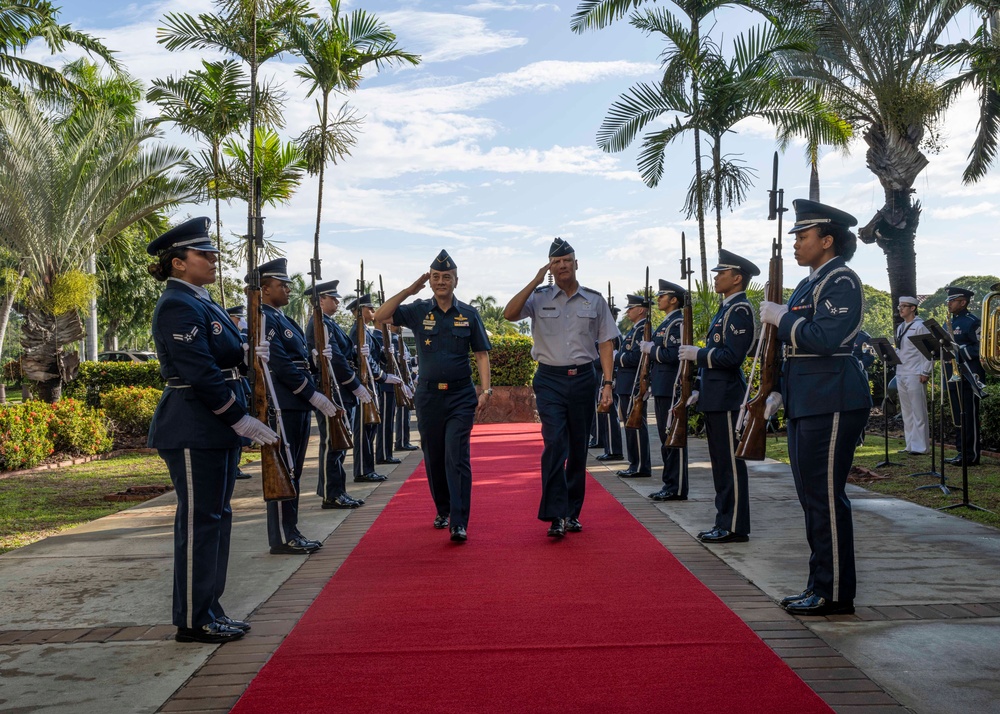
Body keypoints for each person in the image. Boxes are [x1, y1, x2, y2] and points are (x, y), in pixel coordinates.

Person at [146, 217, 277, 644]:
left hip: (213, 425)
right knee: (200, 522)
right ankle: (193, 619)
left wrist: (246, 353)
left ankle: (210, 608)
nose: (213, 259)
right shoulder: (177, 304)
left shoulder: (202, 301)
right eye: (204, 254)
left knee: (217, 519)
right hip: (193, 424)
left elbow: (223, 355)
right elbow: (199, 372)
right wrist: (237, 417)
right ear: (178, 263)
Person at [759, 199, 872, 616]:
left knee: (825, 497)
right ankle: (819, 583)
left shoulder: (841, 280)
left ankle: (835, 592)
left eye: (802, 236)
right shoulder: (809, 284)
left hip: (833, 398)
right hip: (807, 399)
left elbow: (823, 339)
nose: (795, 243)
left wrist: (782, 318)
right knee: (811, 498)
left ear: (827, 241)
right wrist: (778, 391)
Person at [504, 238, 618, 538]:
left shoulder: (594, 300)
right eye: (556, 262)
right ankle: (555, 514)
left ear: (576, 263)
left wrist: (607, 383)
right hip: (549, 379)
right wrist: (535, 280)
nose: (562, 265)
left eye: (567, 260)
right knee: (555, 442)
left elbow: (606, 343)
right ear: (550, 267)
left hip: (583, 378)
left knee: (578, 448)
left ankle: (572, 513)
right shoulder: (538, 297)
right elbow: (509, 314)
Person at [374, 250, 492, 543]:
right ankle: (443, 509)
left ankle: (459, 521)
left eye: (447, 277)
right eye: (436, 277)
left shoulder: (469, 313)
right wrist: (410, 290)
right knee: (434, 457)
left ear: (456, 281)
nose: (442, 282)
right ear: (430, 281)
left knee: (457, 455)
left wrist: (486, 389)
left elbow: (481, 354)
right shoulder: (417, 310)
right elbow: (380, 315)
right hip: (427, 396)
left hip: (460, 395)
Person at [253, 258, 340, 555]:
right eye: (282, 285)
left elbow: (300, 360)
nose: (289, 289)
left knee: (294, 470)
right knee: (284, 470)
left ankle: (291, 530)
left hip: (296, 403)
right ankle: (282, 534)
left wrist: (317, 362)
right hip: (283, 403)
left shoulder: (282, 318)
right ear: (264, 289)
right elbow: (281, 365)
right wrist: (312, 394)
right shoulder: (263, 317)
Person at [678, 248, 757, 544]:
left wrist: (699, 354)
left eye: (721, 273)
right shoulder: (725, 309)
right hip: (715, 395)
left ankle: (734, 525)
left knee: (729, 465)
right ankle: (725, 520)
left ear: (737, 278)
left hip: (727, 397)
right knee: (721, 464)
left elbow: (733, 356)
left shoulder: (739, 310)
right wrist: (699, 386)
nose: (716, 278)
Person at [304, 279, 372, 509]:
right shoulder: (318, 324)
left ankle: (337, 490)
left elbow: (344, 353)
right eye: (332, 298)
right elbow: (336, 360)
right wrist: (355, 385)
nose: (336, 301)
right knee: (333, 443)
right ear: (320, 300)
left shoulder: (329, 323)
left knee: (340, 443)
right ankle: (331, 493)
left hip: (340, 389)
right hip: (334, 389)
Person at [347, 294, 403, 482]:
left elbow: (376, 356)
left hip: (371, 384)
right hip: (364, 383)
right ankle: (362, 470)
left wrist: (387, 351)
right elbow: (363, 359)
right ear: (358, 311)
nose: (373, 311)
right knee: (363, 430)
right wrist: (382, 376)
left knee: (370, 429)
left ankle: (368, 468)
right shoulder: (357, 330)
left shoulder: (367, 331)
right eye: (369, 308)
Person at [643, 279, 689, 501]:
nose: (659, 299)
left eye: (663, 296)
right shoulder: (666, 323)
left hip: (671, 386)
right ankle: (670, 484)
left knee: (673, 436)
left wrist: (652, 351)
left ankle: (676, 487)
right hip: (662, 386)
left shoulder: (677, 322)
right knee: (665, 437)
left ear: (673, 300)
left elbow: (673, 355)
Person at [944, 286, 985, 466]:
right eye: (949, 301)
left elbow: (980, 348)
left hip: (970, 375)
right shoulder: (949, 323)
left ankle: (972, 455)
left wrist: (959, 352)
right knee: (958, 416)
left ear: (963, 302)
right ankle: (961, 452)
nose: (949, 304)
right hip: (953, 375)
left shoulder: (973, 322)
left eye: (952, 301)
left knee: (969, 415)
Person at [614, 294, 652, 478]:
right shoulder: (634, 330)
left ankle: (640, 466)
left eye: (631, 308)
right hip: (625, 383)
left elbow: (637, 358)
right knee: (630, 425)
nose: (628, 311)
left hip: (633, 384)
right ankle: (634, 463)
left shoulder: (641, 330)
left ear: (641, 310)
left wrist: (616, 358)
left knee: (635, 424)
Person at [894, 296, 932, 455]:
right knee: (907, 411)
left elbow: (928, 351)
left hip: (915, 373)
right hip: (901, 372)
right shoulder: (901, 327)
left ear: (913, 308)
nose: (900, 309)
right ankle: (910, 445)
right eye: (899, 306)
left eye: (904, 306)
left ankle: (921, 446)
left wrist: (926, 371)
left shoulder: (920, 326)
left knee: (918, 411)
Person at [592, 306, 624, 461]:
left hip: (608, 379)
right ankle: (607, 446)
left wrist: (592, 361)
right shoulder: (604, 334)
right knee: (604, 415)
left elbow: (608, 359)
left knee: (610, 416)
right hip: (600, 378)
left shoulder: (614, 335)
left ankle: (614, 450)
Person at [226, 304, 253, 480]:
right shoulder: (230, 336)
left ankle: (235, 465)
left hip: (239, 383)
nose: (240, 321)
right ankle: (233, 466)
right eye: (238, 318)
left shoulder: (238, 335)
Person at [392, 325, 419, 451]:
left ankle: (404, 440)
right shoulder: (393, 340)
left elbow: (406, 364)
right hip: (400, 382)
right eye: (397, 325)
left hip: (406, 381)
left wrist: (413, 378)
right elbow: (397, 365)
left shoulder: (400, 340)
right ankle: (401, 442)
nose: (401, 327)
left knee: (406, 414)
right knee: (402, 414)